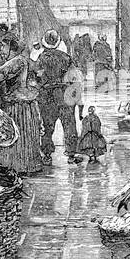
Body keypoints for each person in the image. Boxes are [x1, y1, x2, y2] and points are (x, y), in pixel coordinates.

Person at [0, 31, 43, 175]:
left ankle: (18, 166)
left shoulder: (18, 61)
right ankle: (23, 164)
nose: (1, 49)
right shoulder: (17, 60)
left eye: (3, 46)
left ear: (10, 46)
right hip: (20, 100)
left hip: (19, 103)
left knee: (17, 133)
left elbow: (0, 76)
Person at [35, 29, 80, 163]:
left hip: (47, 96)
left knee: (47, 126)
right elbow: (74, 78)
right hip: (64, 95)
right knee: (69, 124)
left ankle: (47, 155)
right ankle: (71, 154)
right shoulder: (66, 58)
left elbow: (37, 78)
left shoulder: (41, 59)